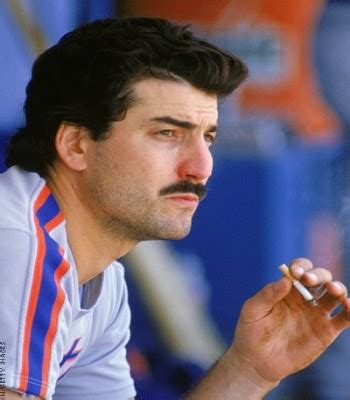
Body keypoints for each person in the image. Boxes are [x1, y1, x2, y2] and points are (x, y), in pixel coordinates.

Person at [1, 17, 349, 400]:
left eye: (209, 138)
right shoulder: (18, 246)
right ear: (76, 145)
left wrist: (249, 371)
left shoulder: (100, 278)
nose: (201, 168)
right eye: (167, 134)